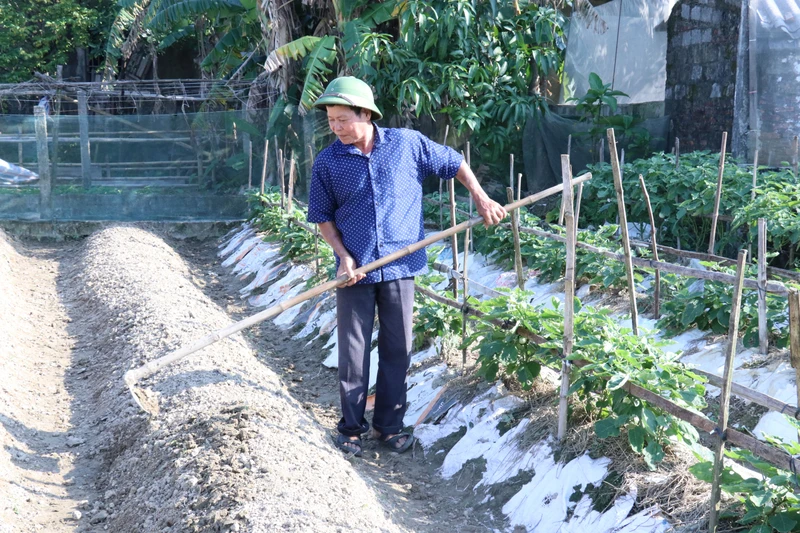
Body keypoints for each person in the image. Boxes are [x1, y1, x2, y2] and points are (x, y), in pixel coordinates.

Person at [307, 76, 507, 457]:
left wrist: (480, 198)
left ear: (366, 114)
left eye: (343, 119)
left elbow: (455, 162)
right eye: (331, 120)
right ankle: (350, 428)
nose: (336, 128)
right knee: (353, 351)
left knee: (398, 348)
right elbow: (322, 216)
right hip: (357, 269)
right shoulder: (328, 162)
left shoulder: (406, 145)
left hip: (401, 265)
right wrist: (343, 256)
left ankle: (389, 425)